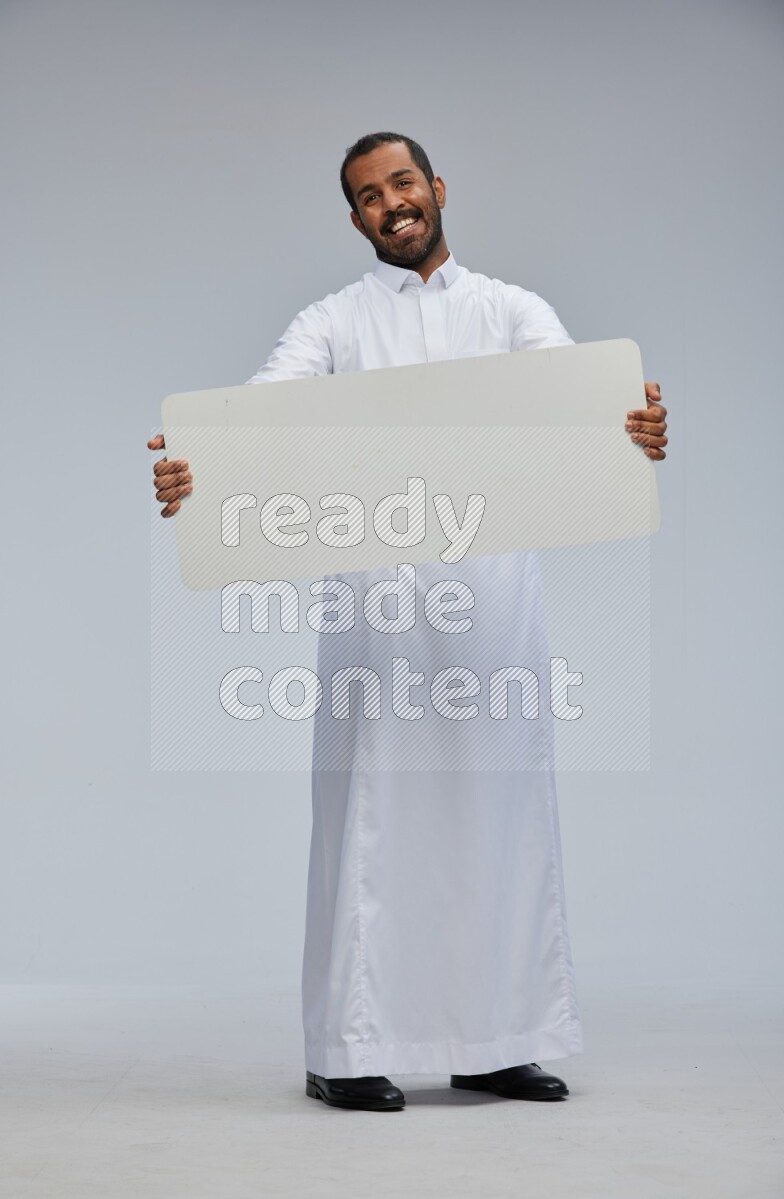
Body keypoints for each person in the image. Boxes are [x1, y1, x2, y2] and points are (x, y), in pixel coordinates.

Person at [148, 132, 668, 1112]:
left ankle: (494, 1039)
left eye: (400, 182)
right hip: (375, 615)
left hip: (491, 614)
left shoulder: (508, 310)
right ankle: (343, 1049)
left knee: (498, 815)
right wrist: (197, 471)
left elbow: (579, 403)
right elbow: (257, 419)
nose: (389, 203)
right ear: (354, 220)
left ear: (435, 188)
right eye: (366, 196)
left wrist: (629, 427)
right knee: (368, 830)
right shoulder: (332, 325)